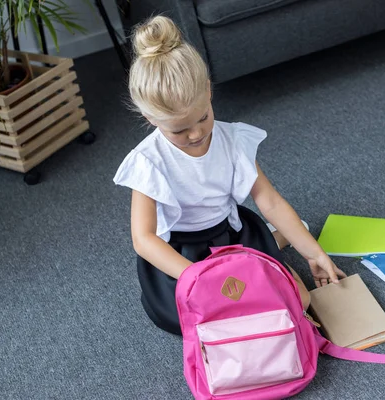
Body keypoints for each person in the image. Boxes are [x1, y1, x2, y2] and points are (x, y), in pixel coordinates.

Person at [114, 16, 346, 335]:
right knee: (207, 317)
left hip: (231, 234)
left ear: (209, 92)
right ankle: (274, 241)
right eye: (179, 130)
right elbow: (144, 239)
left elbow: (270, 200)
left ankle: (277, 239)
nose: (196, 134)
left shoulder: (233, 140)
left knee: (301, 299)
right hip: (183, 253)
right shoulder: (148, 162)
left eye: (203, 118)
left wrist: (313, 251)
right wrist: (198, 276)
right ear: (150, 118)